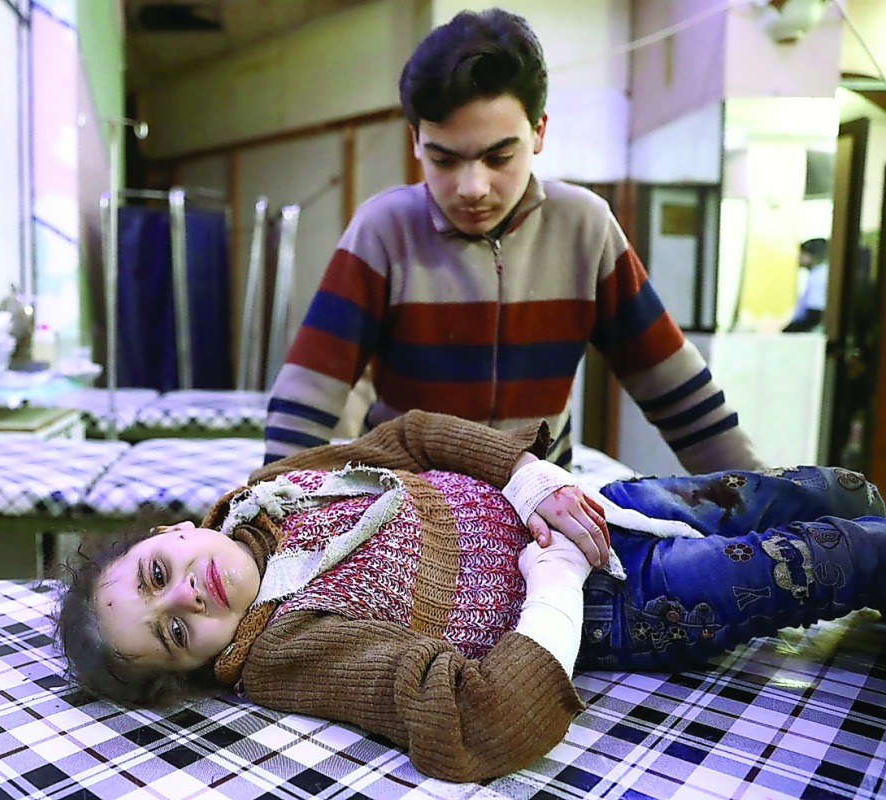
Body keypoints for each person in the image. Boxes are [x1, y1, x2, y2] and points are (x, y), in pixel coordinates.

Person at [56, 410, 885, 783]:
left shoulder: (265, 490)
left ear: (169, 530)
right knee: (844, 554)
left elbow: (409, 436)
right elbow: (466, 725)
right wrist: (556, 585)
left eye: (157, 574)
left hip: (591, 503)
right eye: (174, 633)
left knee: (836, 490)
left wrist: (528, 479)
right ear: (199, 665)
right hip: (612, 602)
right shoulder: (280, 647)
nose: (187, 599)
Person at [262, 8, 761, 474]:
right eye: (443, 160)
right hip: (409, 504)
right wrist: (273, 509)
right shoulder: (383, 230)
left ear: (539, 132)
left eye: (499, 158)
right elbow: (308, 397)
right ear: (415, 140)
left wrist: (765, 494)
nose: (472, 187)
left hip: (542, 507)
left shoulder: (584, 227)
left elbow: (676, 388)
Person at [783, 238, 829, 333]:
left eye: (802, 253)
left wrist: (788, 333)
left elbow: (814, 315)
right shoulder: (816, 274)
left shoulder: (819, 276)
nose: (798, 257)